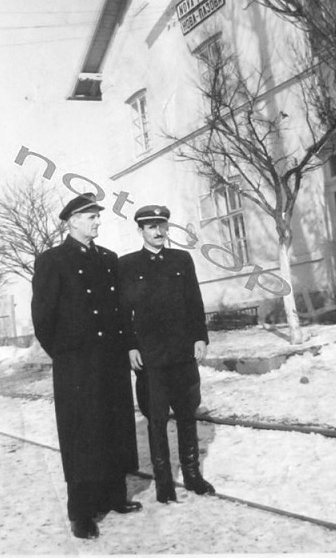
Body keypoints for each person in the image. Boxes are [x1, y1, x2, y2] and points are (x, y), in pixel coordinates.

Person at [31, 192, 142, 540]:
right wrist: (66, 354)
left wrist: (126, 345)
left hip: (110, 359)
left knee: (113, 426)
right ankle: (81, 512)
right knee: (82, 436)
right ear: (72, 221)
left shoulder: (109, 259)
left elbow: (122, 308)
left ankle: (114, 496)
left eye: (97, 216)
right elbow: (43, 318)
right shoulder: (52, 260)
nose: (97, 221)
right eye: (90, 216)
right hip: (77, 364)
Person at [118, 204, 215, 504]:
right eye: (151, 227)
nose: (158, 232)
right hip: (151, 359)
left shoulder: (182, 260)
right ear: (140, 231)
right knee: (156, 420)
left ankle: (192, 475)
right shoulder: (128, 265)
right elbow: (122, 312)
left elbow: (194, 302)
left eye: (162, 226)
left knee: (187, 414)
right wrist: (131, 346)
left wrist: (200, 337)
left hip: (183, 354)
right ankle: (164, 483)